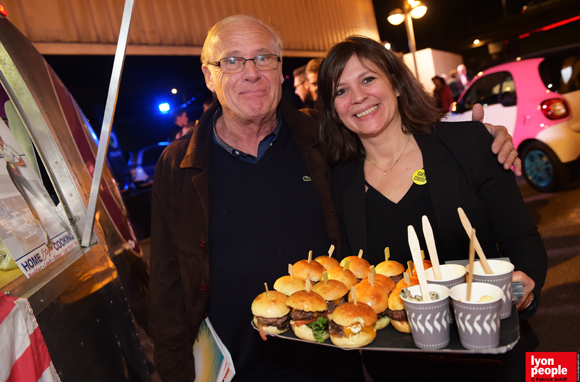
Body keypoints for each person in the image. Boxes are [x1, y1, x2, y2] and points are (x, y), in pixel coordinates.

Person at [148, 16, 520, 382]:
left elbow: (391, 132)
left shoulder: (322, 138)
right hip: (233, 366)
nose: (251, 72)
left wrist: (472, 135)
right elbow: (166, 283)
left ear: (281, 71)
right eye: (231, 60)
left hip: (331, 359)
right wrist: (175, 371)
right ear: (209, 75)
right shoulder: (179, 166)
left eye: (264, 58)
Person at [317, 36, 547, 382]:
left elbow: (524, 241)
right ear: (333, 108)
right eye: (340, 91)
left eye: (368, 79)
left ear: (395, 83)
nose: (358, 97)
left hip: (495, 360)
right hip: (400, 370)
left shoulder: (468, 145)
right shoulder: (337, 183)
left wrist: (525, 292)